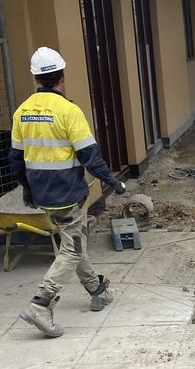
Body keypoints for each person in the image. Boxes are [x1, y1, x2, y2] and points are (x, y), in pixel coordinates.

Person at [9, 46, 126, 338]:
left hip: (42, 193)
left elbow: (15, 158)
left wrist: (26, 189)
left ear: (36, 77)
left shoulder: (22, 112)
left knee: (73, 239)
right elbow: (90, 155)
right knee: (71, 249)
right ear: (62, 77)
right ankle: (41, 302)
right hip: (68, 193)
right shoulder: (69, 111)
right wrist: (112, 182)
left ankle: (96, 288)